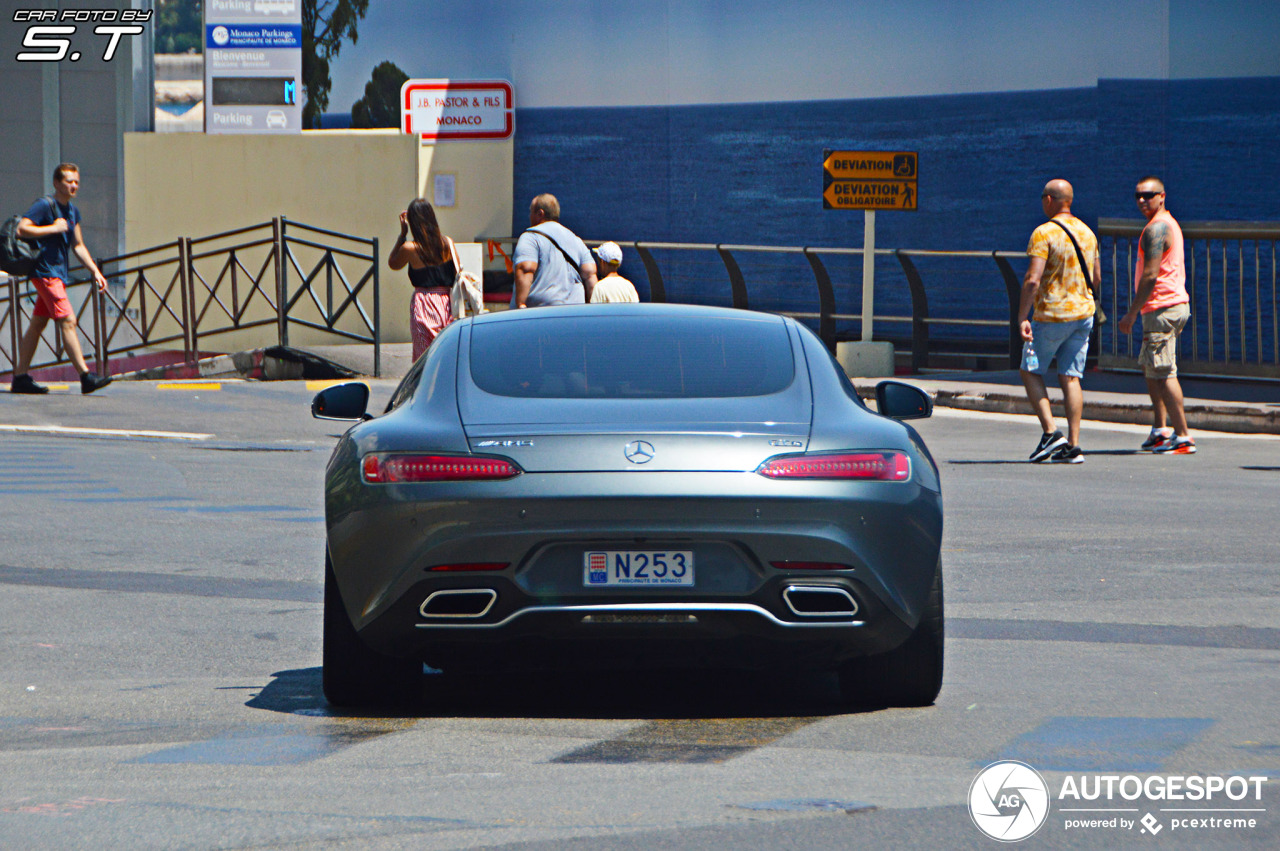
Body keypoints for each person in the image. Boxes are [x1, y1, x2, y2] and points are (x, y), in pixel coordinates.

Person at [9, 163, 113, 395]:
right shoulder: (45, 205)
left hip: (58, 273)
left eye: (76, 181)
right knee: (68, 321)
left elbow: (78, 245)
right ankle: (86, 376)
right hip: (45, 273)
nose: (73, 185)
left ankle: (20, 377)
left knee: (38, 325)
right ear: (57, 183)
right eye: (68, 181)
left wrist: (95, 271)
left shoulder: (73, 212)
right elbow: (22, 229)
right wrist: (53, 228)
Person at [1018, 179, 1100, 464]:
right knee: (1071, 376)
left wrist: (1021, 316)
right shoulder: (1088, 233)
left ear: (1050, 200)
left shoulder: (1043, 233)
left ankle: (1051, 432)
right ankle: (1074, 445)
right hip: (1083, 315)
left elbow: (1033, 279)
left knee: (1029, 369)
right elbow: (1097, 278)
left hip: (1052, 315)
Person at [1119, 177, 1195, 454]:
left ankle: (1183, 436)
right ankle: (1160, 430)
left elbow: (1150, 275)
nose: (1142, 200)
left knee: (1164, 372)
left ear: (1162, 196)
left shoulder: (1156, 229)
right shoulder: (1167, 223)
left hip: (1162, 308)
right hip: (1167, 306)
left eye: (1149, 195)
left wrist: (1131, 313)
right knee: (1151, 366)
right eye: (1138, 195)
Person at [389, 198, 456, 362]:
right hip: (448, 303)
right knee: (446, 354)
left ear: (413, 223)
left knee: (424, 359)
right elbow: (457, 273)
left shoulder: (410, 248)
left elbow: (393, 263)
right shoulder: (447, 243)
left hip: (424, 302)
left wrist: (402, 234)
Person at [512, 193, 597, 308]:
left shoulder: (531, 237)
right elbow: (590, 275)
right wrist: (593, 308)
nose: (529, 216)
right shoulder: (576, 240)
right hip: (575, 312)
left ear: (540, 213)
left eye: (531, 211)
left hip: (542, 313)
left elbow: (526, 268)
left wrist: (520, 304)